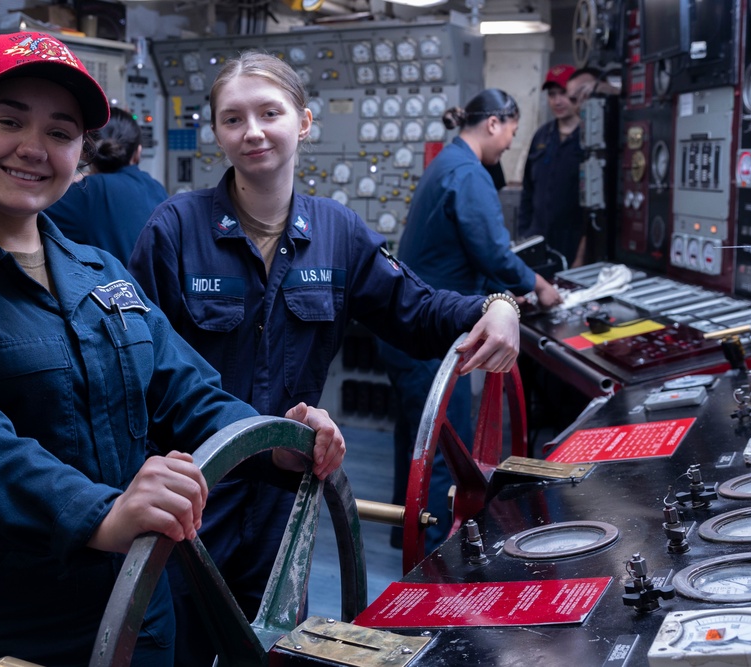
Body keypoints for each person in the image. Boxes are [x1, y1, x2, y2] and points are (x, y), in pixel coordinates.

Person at [0, 32, 344, 667]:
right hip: (9, 626)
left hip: (140, 607)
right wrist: (102, 515)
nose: (34, 148)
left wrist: (274, 439)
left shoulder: (99, 272)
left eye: (61, 132)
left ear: (81, 152)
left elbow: (185, 391)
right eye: (8, 120)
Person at [127, 51, 522, 666]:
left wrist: (495, 305)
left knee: (274, 649)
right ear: (217, 133)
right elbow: (141, 370)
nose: (252, 130)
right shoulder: (174, 229)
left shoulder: (337, 232)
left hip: (287, 496)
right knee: (180, 646)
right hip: (196, 494)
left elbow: (415, 311)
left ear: (304, 122)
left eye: (269, 112)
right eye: (233, 119)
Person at [379, 88, 563, 554]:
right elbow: (493, 251)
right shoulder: (468, 172)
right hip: (434, 336)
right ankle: (436, 558)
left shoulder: (448, 163)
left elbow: (462, 254)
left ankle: (411, 534)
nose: (508, 146)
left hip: (405, 330)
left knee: (417, 443)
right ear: (495, 123)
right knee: (446, 451)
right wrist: (540, 286)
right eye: (511, 134)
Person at [46, 105, 167, 265]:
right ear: (138, 153)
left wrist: (66, 183)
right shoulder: (156, 187)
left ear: (84, 151)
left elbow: (23, 214)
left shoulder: (87, 192)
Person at [518, 64, 587, 270]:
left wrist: (582, 256)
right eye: (552, 94)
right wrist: (524, 237)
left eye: (563, 93)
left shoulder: (589, 138)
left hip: (572, 245)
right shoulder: (542, 136)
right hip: (538, 242)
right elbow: (527, 191)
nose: (557, 101)